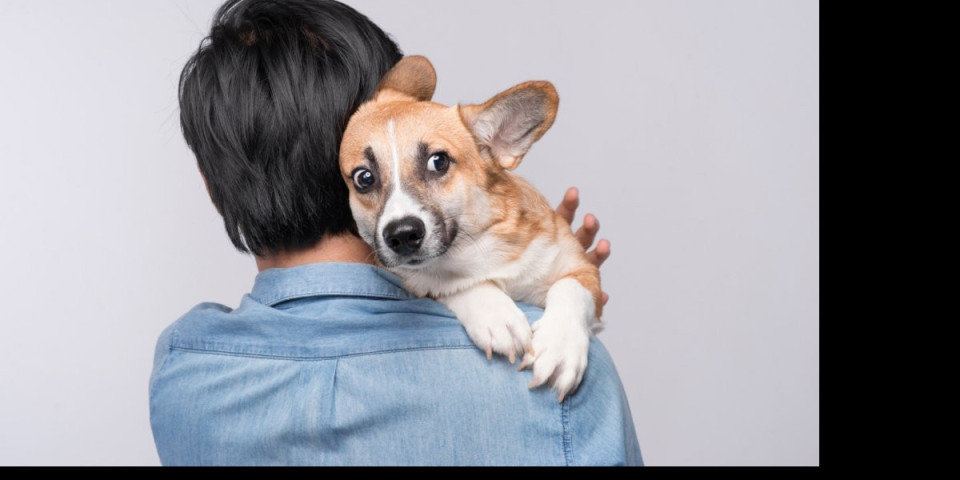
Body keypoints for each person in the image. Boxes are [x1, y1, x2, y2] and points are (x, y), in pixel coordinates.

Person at [149, 0, 642, 466]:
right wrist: (560, 301)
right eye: (367, 178)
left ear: (211, 185)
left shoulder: (182, 368)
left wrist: (523, 269)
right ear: (342, 166)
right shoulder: (564, 365)